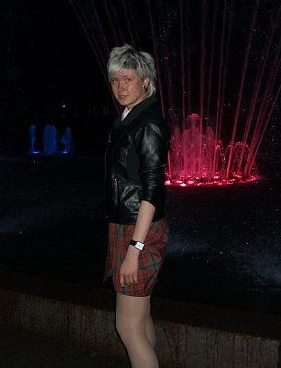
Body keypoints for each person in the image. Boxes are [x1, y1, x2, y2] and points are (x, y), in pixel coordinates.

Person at [104, 44, 170, 367]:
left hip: (138, 230)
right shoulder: (130, 118)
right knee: (140, 322)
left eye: (127, 79)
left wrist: (135, 248)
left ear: (145, 81)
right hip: (129, 227)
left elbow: (153, 191)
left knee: (127, 327)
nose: (120, 87)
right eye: (115, 80)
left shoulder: (148, 124)